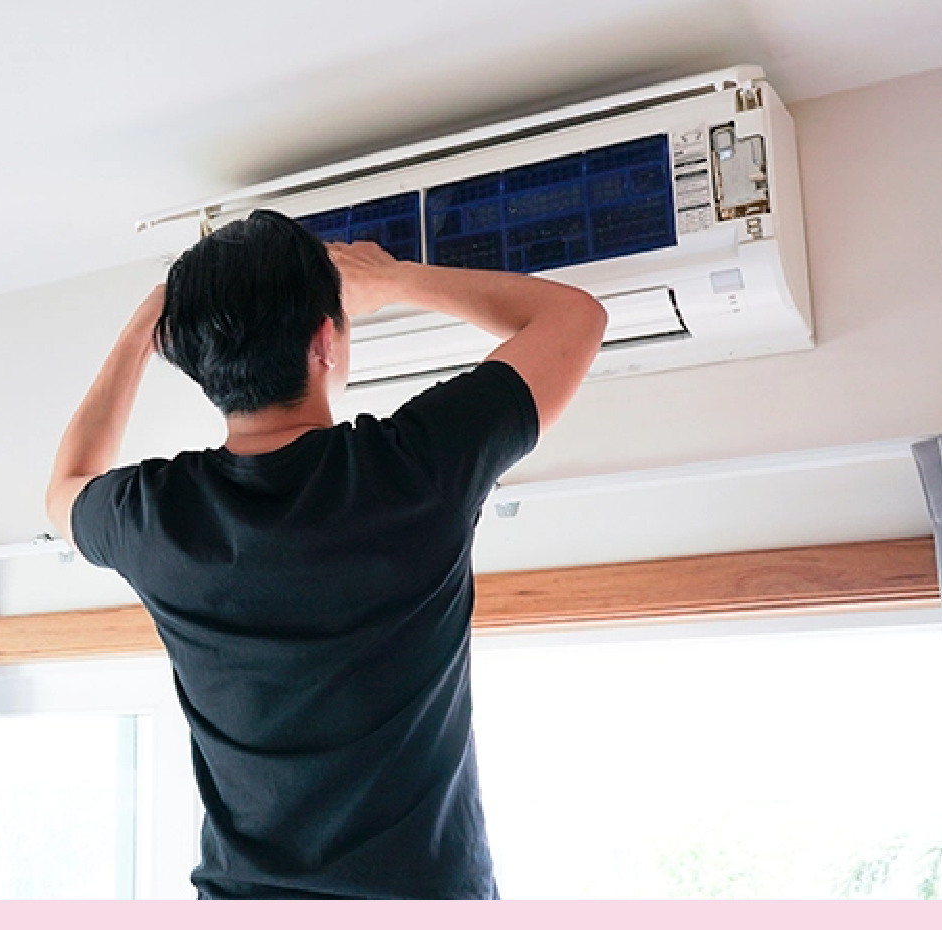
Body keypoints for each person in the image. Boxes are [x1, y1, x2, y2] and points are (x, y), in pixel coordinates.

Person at [45, 209, 607, 899]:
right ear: (324, 341)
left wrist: (141, 331)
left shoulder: (157, 519)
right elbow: (573, 318)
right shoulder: (412, 471)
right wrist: (397, 279)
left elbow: (64, 487)